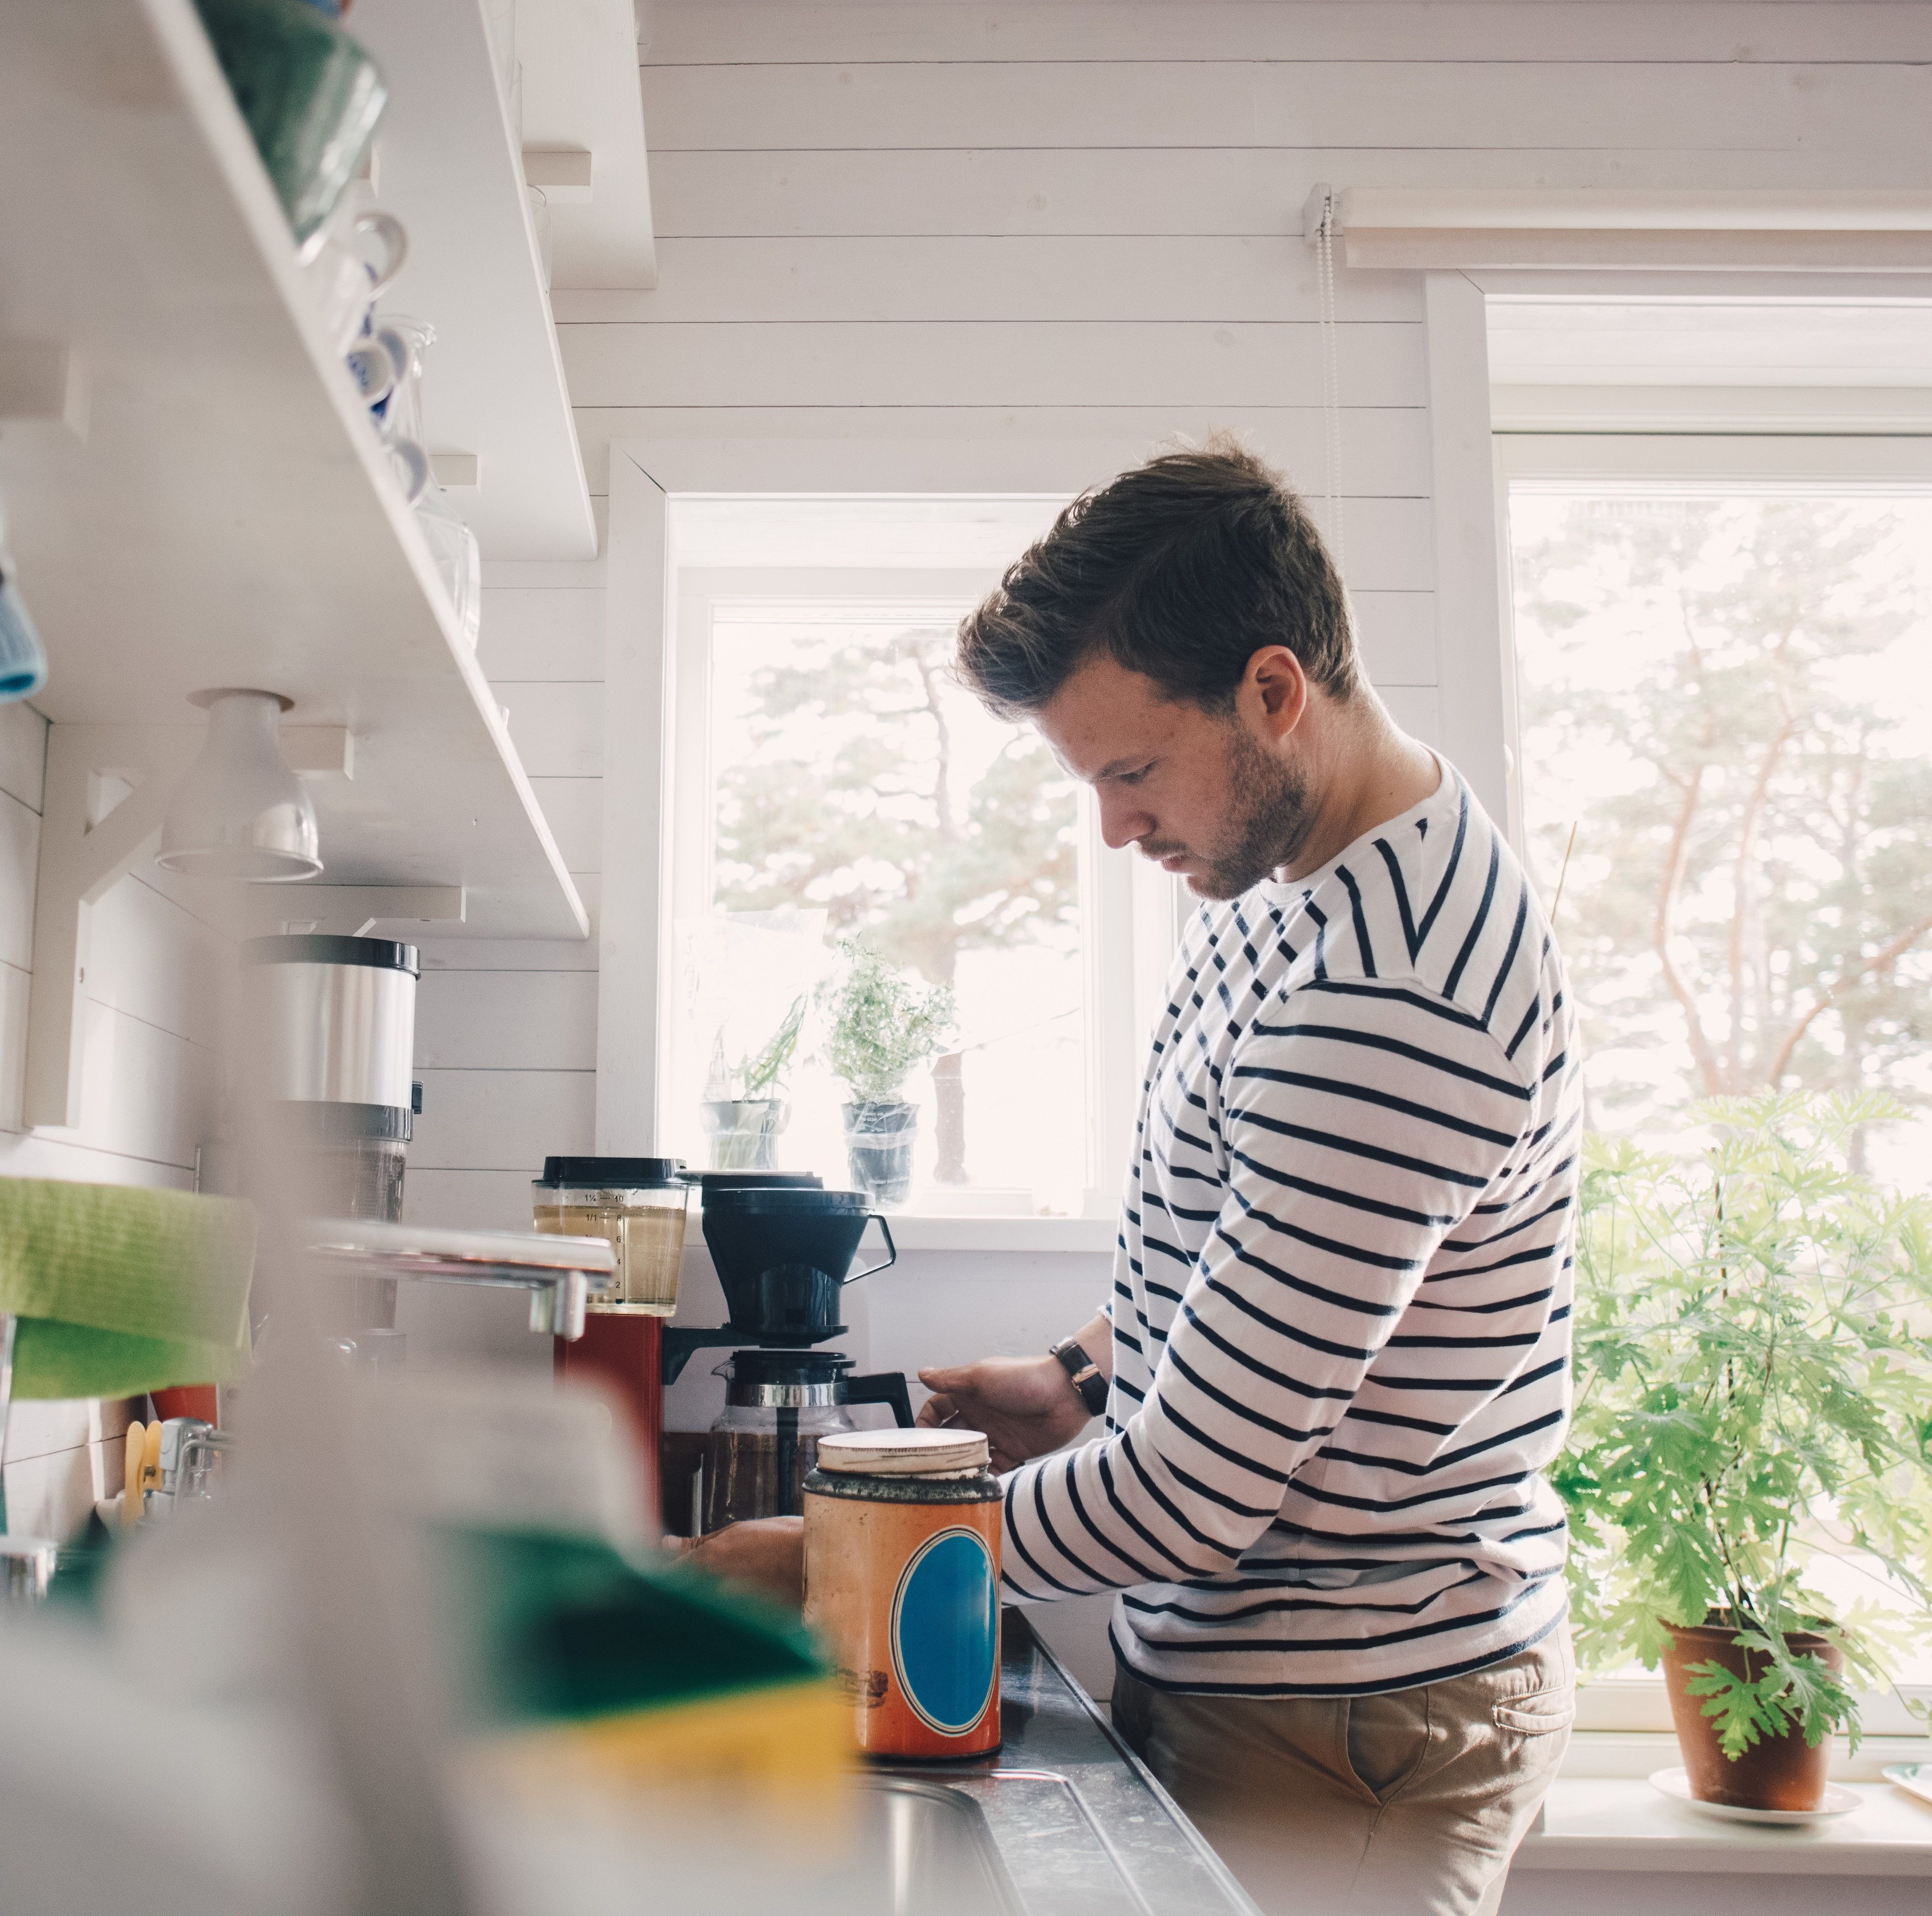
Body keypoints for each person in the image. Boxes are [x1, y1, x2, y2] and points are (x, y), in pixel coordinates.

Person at [677, 442, 1582, 1916]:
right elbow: (1263, 1259)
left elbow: (1199, 1492)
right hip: (1275, 1684)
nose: (1111, 827)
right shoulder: (1290, 876)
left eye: (1131, 770)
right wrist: (1079, 1376)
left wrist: (843, 1563)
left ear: (1272, 693)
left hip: (1345, 1719)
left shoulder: (1388, 991)